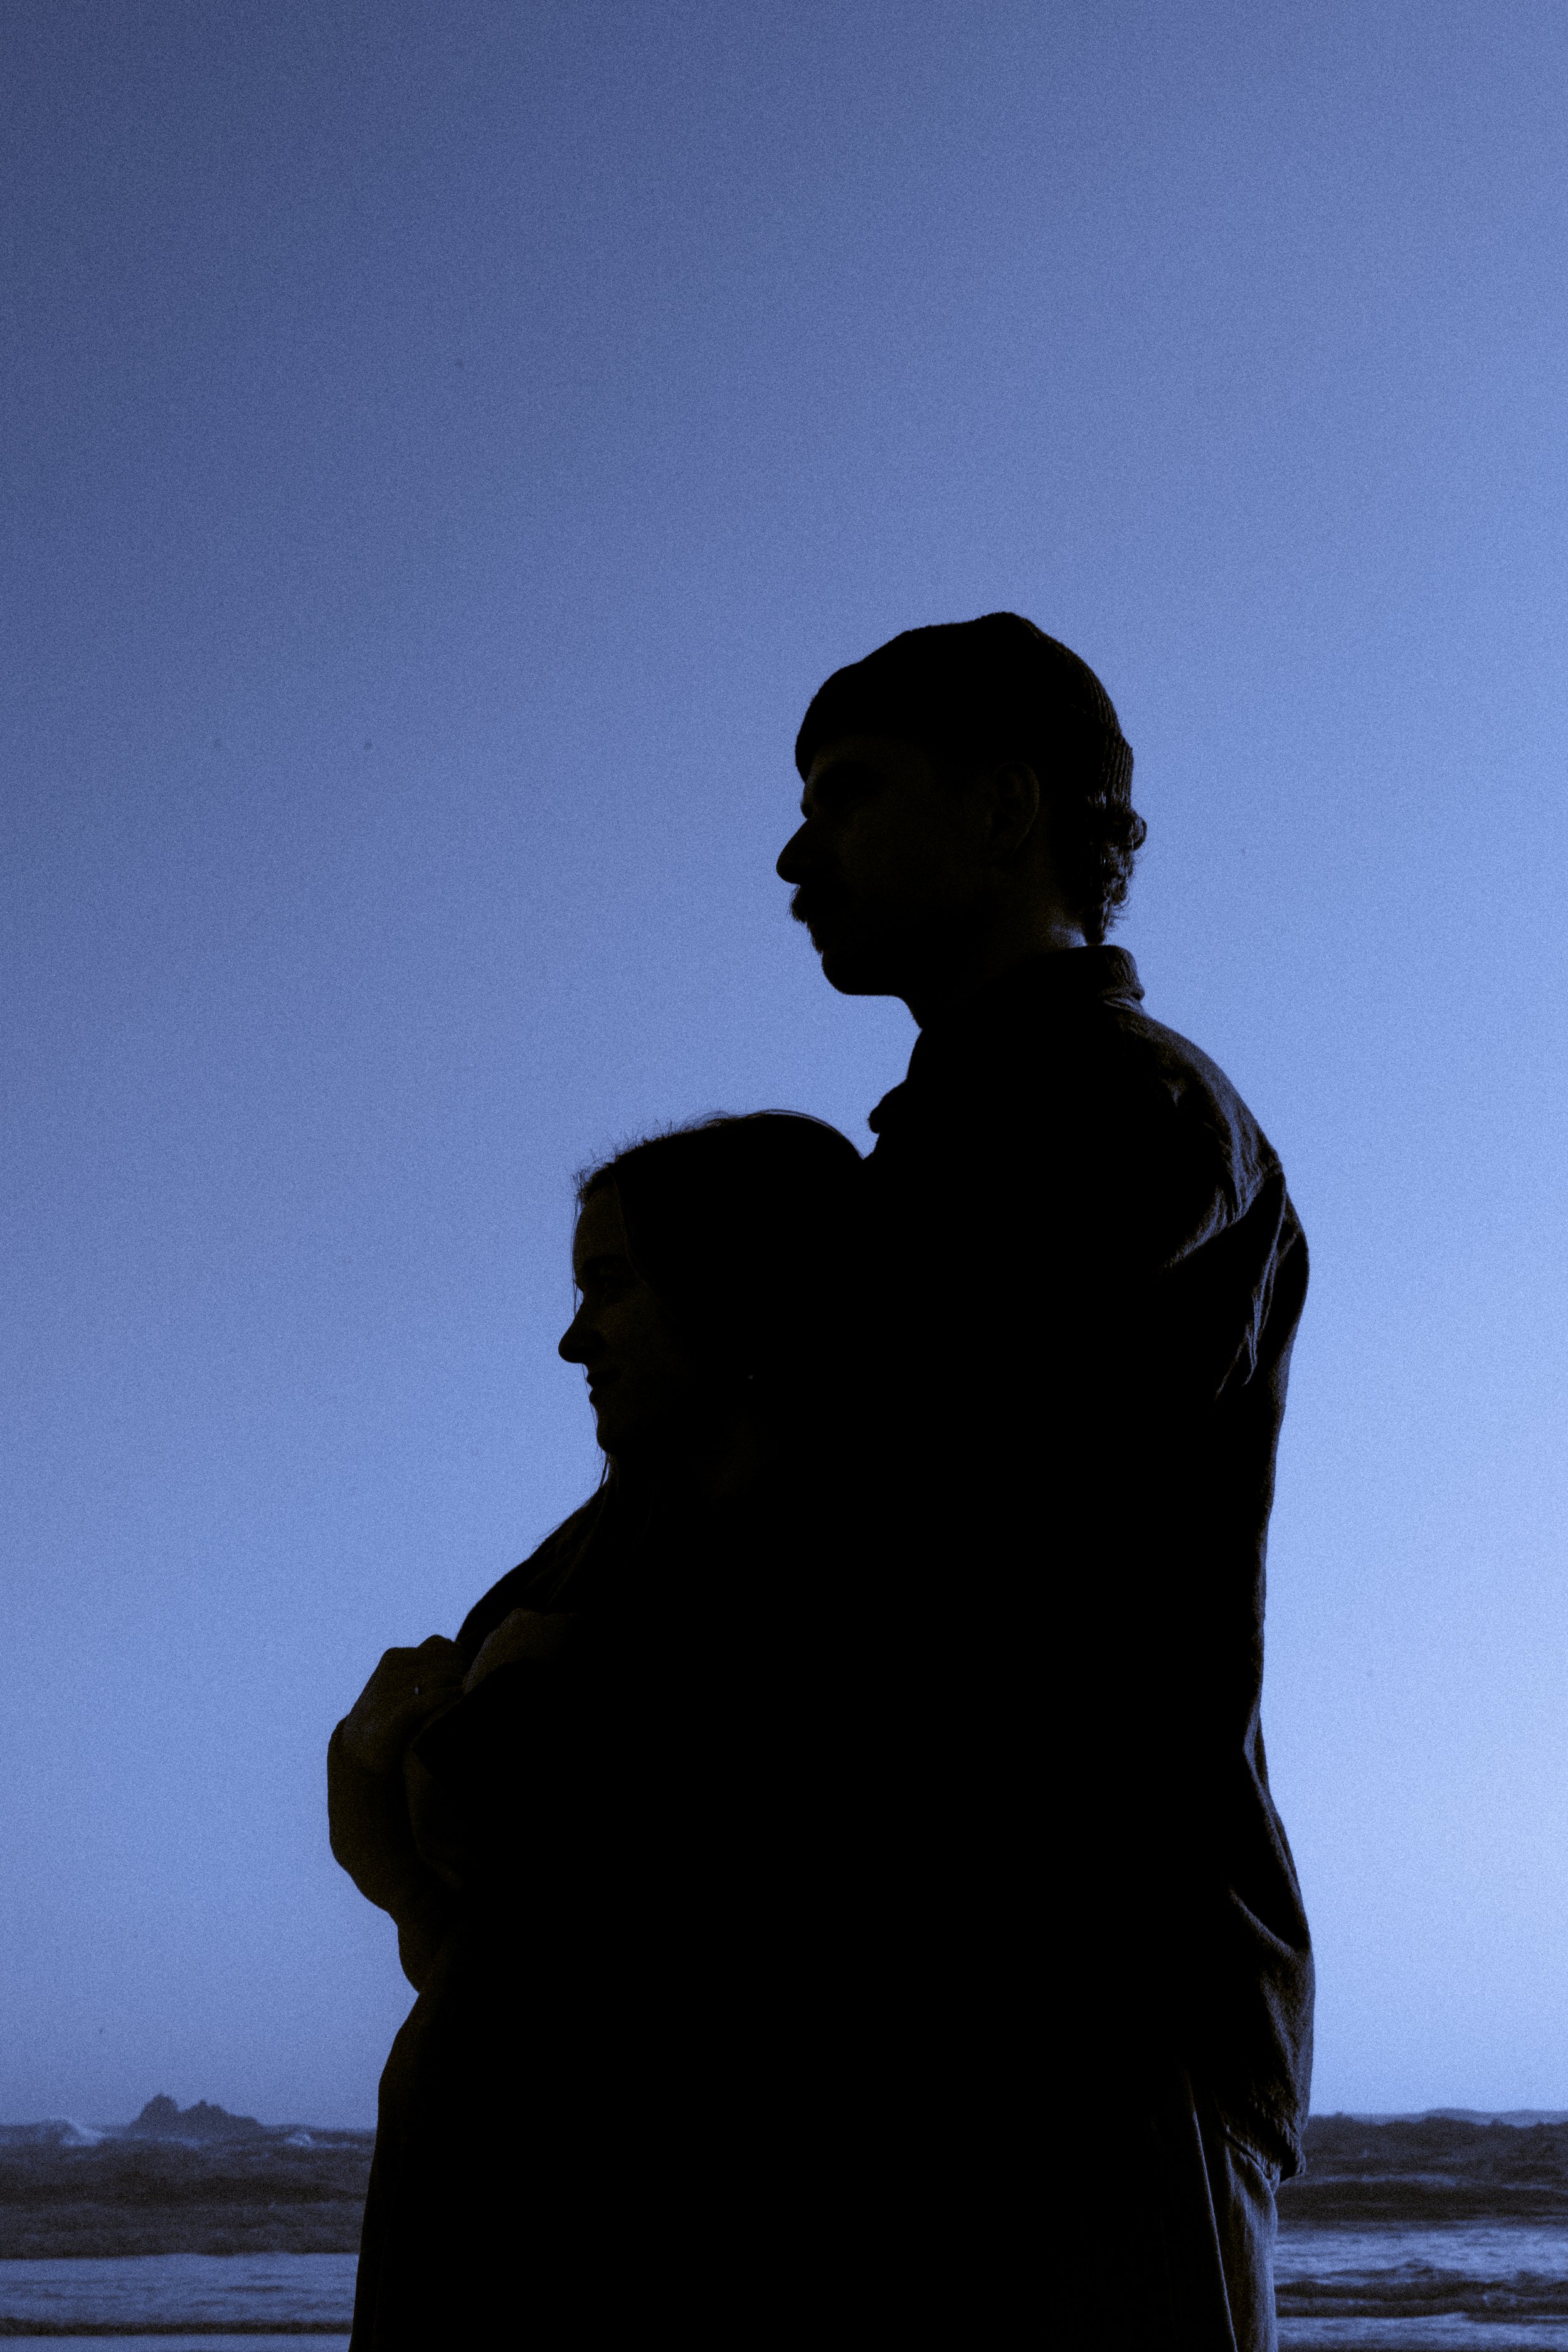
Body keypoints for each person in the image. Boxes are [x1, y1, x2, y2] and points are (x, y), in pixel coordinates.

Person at [775, 612, 1313, 2349]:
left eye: (847, 792)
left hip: (1084, 1998)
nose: (796, 849)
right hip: (986, 1998)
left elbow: (880, 1495)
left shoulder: (1116, 1114)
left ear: (1007, 806)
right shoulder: (972, 1129)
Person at [329, 1111, 862, 2347]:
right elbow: (465, 1895)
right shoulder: (587, 1555)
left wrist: (445, 1744)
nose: (574, 1339)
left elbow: (548, 1848)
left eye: (610, 1287)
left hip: (659, 2224)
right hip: (492, 2194)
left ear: (738, 1283)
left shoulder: (846, 1570)